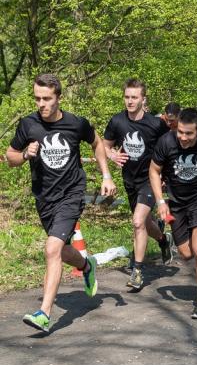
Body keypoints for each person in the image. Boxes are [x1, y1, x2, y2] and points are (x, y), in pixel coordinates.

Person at [7, 73, 116, 333]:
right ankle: (86, 265)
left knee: (51, 248)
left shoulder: (76, 124)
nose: (41, 104)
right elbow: (10, 156)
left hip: (71, 194)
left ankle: (44, 314)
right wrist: (24, 154)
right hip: (44, 198)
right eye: (37, 99)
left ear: (59, 98)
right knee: (60, 250)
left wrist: (106, 175)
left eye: (47, 99)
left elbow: (97, 142)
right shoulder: (28, 125)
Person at [149, 108, 197, 320]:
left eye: (189, 133)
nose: (183, 137)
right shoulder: (166, 142)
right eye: (181, 132)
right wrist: (160, 201)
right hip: (176, 205)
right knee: (186, 254)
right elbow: (154, 170)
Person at [103, 78, 172, 290]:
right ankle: (163, 240)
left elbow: (170, 150)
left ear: (143, 99)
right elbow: (103, 147)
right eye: (127, 97)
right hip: (129, 180)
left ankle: (137, 271)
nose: (130, 101)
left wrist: (165, 177)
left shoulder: (156, 124)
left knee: (137, 221)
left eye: (134, 97)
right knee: (143, 223)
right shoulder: (117, 122)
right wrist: (112, 155)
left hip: (150, 180)